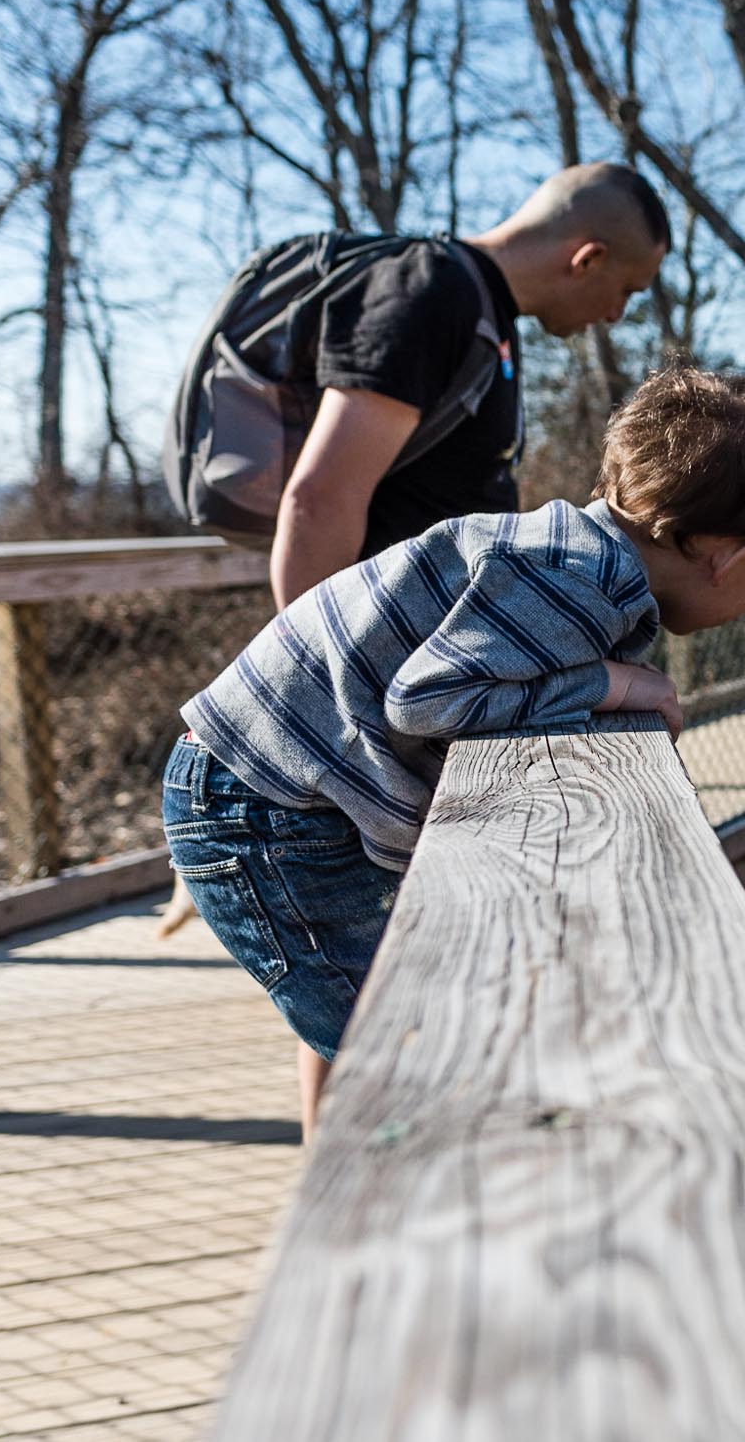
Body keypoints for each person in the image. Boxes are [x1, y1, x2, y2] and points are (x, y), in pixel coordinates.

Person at [160, 368, 745, 1138]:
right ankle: (382, 1219)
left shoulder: (569, 553)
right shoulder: (577, 582)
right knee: (396, 1050)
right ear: (727, 554)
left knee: (411, 1020)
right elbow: (430, 701)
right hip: (258, 807)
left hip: (272, 790)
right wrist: (611, 683)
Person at [157, 161, 670, 938]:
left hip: (412, 701)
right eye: (627, 290)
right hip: (370, 723)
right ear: (587, 256)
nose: (617, 313)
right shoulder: (432, 294)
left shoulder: (481, 317)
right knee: (373, 992)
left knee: (378, 992)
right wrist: (331, 732)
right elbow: (318, 499)